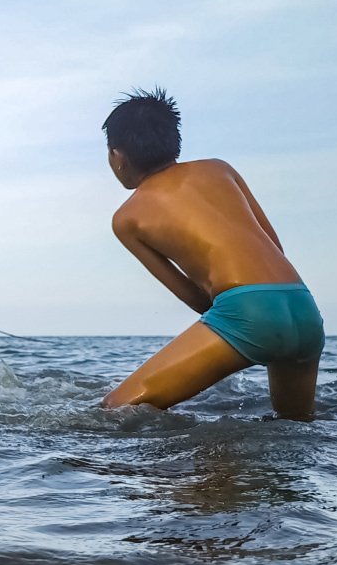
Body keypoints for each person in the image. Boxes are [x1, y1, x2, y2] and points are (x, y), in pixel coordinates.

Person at [100, 88, 323, 420]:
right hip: (304, 309)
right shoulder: (220, 170)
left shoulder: (127, 218)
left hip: (248, 312)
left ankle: (205, 466)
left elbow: (194, 297)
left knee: (114, 410)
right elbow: (275, 247)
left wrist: (232, 338)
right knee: (294, 427)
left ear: (118, 155)